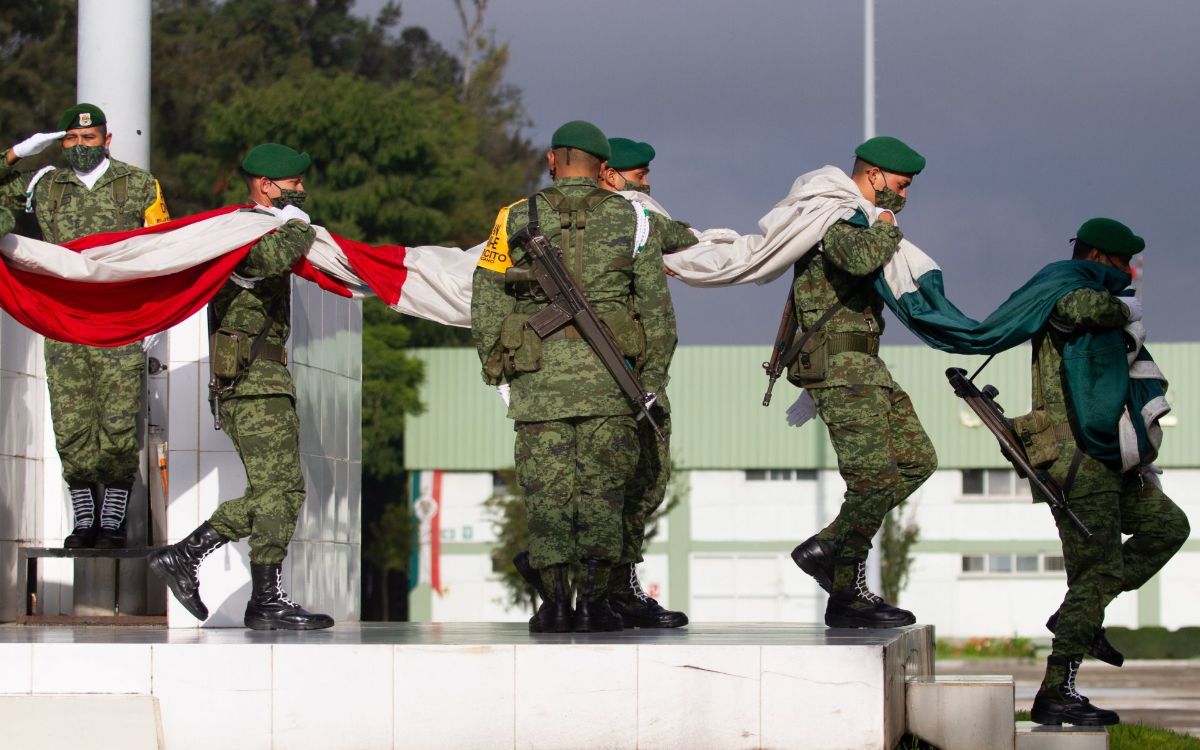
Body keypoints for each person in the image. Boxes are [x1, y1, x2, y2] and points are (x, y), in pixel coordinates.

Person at [473, 121, 675, 633]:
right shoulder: (636, 219)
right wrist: (651, 378)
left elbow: (487, 294)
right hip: (613, 383)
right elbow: (656, 309)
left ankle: (557, 604)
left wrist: (497, 363)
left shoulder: (514, 216)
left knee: (547, 497)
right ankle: (595, 604)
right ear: (604, 169)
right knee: (603, 494)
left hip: (538, 382)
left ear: (552, 160)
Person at [149, 143, 333, 631]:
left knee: (280, 491)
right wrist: (299, 225)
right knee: (282, 490)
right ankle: (232, 580)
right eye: (293, 187)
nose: (300, 193)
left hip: (263, 381)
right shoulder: (240, 232)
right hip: (251, 383)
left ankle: (211, 569)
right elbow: (260, 264)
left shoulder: (263, 226)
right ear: (267, 185)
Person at [1027, 218, 1189, 726]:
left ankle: (1079, 612)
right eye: (1120, 264)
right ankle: (1057, 692)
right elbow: (1082, 308)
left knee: (1167, 526)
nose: (1127, 274)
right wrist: (1122, 303)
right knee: (1095, 572)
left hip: (1111, 458)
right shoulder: (1065, 291)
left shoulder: (1096, 295)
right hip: (1075, 458)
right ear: (1097, 258)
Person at [0, 103, 170, 549]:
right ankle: (83, 518)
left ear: (106, 140)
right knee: (71, 423)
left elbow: (162, 249)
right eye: (71, 140)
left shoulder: (138, 185)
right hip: (65, 321)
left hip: (118, 320)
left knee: (117, 425)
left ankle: (112, 520)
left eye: (89, 138)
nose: (80, 146)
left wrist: (154, 317)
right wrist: (17, 153)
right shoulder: (45, 184)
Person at [788, 136, 937, 628]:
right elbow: (857, 259)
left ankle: (832, 551)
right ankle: (844, 583)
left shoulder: (859, 217)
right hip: (840, 368)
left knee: (917, 460)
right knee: (873, 479)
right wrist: (888, 221)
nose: (904, 194)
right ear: (874, 175)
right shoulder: (833, 213)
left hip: (866, 366)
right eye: (900, 184)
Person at [595, 136, 691, 628]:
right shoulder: (632, 218)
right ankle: (616, 587)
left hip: (608, 372)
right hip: (628, 373)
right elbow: (679, 240)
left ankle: (587, 576)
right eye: (638, 176)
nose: (646, 185)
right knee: (637, 480)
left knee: (621, 483)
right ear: (608, 173)